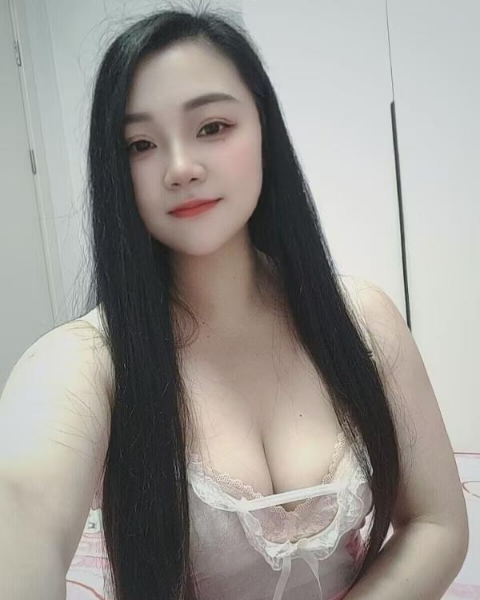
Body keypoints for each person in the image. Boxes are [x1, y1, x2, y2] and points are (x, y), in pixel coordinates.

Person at [0, 5, 468, 600]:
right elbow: (21, 507)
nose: (180, 168)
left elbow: (437, 524)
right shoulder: (87, 361)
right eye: (141, 144)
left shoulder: (362, 320)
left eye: (212, 127)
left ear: (264, 130)